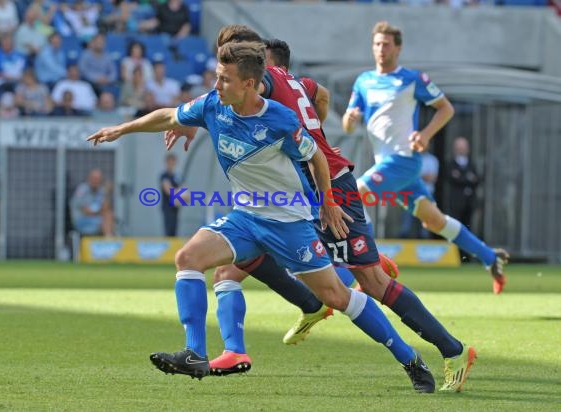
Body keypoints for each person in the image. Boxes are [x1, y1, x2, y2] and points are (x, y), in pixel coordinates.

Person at [87, 41, 436, 393]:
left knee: (337, 297)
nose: (216, 85)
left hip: (289, 223)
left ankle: (410, 359)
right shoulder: (213, 105)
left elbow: (315, 156)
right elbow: (169, 115)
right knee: (188, 258)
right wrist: (122, 129)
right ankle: (195, 352)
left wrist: (328, 202)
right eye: (217, 77)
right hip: (246, 218)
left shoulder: (279, 120)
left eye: (224, 79)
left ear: (249, 84)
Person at [165, 26, 476, 393]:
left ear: (251, 68)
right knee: (229, 270)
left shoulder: (259, 88)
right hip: (289, 194)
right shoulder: (294, 79)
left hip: (328, 185)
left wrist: (314, 146)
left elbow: (235, 103)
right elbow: (320, 95)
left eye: (227, 67)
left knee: (373, 282)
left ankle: (451, 349)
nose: (221, 78)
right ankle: (243, 344)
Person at [342, 21, 508, 295]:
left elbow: (446, 108)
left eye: (386, 44)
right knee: (434, 221)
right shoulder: (364, 81)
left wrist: (426, 134)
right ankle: (491, 257)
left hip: (403, 161)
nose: (380, 49)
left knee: (354, 195)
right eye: (376, 44)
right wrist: (349, 119)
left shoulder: (413, 79)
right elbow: (349, 127)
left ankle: (367, 270)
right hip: (386, 163)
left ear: (398, 48)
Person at [447, 136, 481, 259]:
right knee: (455, 228)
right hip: (457, 203)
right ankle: (454, 255)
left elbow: (477, 179)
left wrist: (462, 177)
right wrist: (467, 178)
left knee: (469, 228)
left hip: (469, 202)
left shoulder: (471, 163)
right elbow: (453, 179)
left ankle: (467, 256)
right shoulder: (451, 163)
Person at [399, 150, 439, 239]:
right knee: (407, 219)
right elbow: (406, 175)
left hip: (427, 194)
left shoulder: (432, 160)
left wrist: (415, 175)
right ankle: (404, 238)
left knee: (426, 219)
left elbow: (431, 178)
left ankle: (424, 239)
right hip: (409, 193)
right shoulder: (408, 158)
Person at [70, 169, 115, 236]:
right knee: (107, 221)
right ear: (89, 179)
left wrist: (107, 193)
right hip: (82, 221)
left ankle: (108, 239)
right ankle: (109, 240)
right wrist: (101, 213)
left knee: (109, 216)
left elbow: (106, 208)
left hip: (98, 220)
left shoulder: (101, 190)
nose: (95, 181)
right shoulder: (82, 189)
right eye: (94, 178)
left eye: (98, 179)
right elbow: (87, 212)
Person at [160, 153, 181, 237]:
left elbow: (185, 193)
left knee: (174, 230)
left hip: (175, 207)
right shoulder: (164, 176)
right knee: (168, 229)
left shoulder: (177, 177)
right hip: (167, 207)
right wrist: (179, 193)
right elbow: (168, 190)